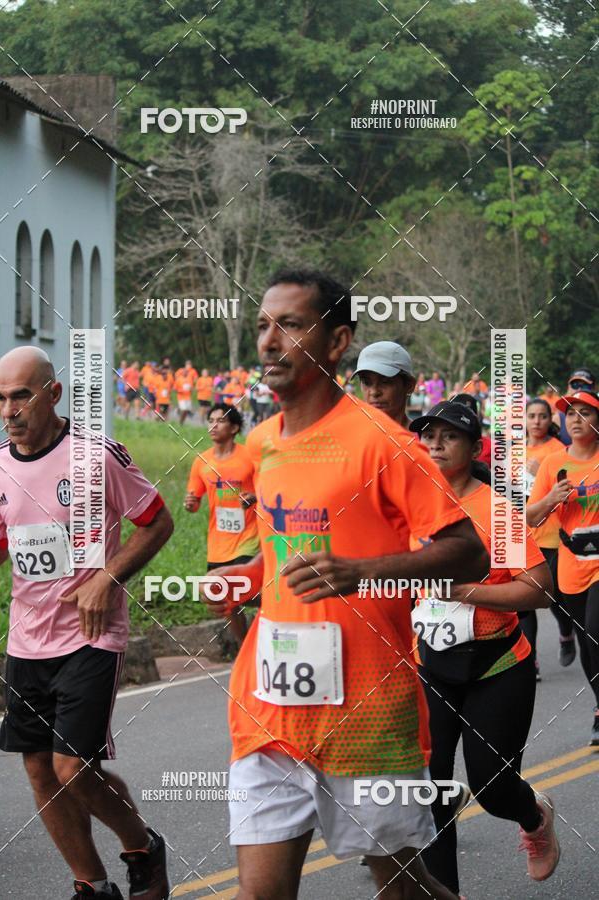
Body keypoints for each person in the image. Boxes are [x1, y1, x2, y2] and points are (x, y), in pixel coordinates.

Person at [207, 268, 489, 900]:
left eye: (292, 325)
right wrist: (241, 579)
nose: (270, 342)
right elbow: (286, 554)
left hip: (367, 709)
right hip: (271, 706)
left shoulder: (383, 443)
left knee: (399, 888)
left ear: (337, 343)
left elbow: (469, 553)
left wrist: (361, 573)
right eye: (262, 326)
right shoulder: (261, 443)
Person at [0, 347, 174, 900]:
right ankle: (91, 884)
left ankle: (142, 845)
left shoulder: (95, 456)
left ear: (52, 393)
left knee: (72, 767)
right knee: (39, 773)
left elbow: (157, 521)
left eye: (21, 395)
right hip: (27, 640)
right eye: (0, 398)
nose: (9, 409)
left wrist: (108, 577)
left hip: (90, 636)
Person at [408, 401, 559, 895]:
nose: (434, 443)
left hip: (497, 665)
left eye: (448, 436)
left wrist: (463, 590)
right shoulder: (411, 504)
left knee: (493, 788)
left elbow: (538, 589)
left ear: (475, 449)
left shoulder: (495, 509)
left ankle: (534, 817)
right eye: (428, 434)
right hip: (431, 664)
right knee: (432, 791)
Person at [527, 389, 599, 745]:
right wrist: (552, 498)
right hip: (571, 566)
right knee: (588, 645)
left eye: (585, 412)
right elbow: (528, 516)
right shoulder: (554, 464)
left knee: (596, 629)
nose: (575, 418)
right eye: (570, 413)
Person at [184, 403, 259, 644]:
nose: (213, 426)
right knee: (225, 600)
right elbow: (194, 502)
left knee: (248, 593)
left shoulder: (250, 457)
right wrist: (190, 503)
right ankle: (244, 648)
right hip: (218, 543)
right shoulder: (202, 462)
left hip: (249, 539)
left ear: (235, 427)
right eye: (210, 420)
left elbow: (271, 489)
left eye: (220, 421)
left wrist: (255, 497)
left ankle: (269, 625)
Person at [524, 399, 573, 675]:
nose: (537, 421)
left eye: (543, 416)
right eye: (532, 415)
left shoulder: (557, 451)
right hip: (522, 531)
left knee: (555, 596)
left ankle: (566, 630)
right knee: (526, 600)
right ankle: (530, 661)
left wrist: (536, 475)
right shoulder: (513, 451)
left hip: (552, 534)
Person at [351, 341, 416, 428]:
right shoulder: (349, 436)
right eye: (367, 382)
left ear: (409, 385)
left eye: (385, 382)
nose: (374, 392)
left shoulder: (424, 439)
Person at [554, 369, 596, 446]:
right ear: (568, 388)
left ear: (594, 388)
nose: (579, 389)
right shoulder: (556, 419)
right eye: (575, 385)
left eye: (585, 385)